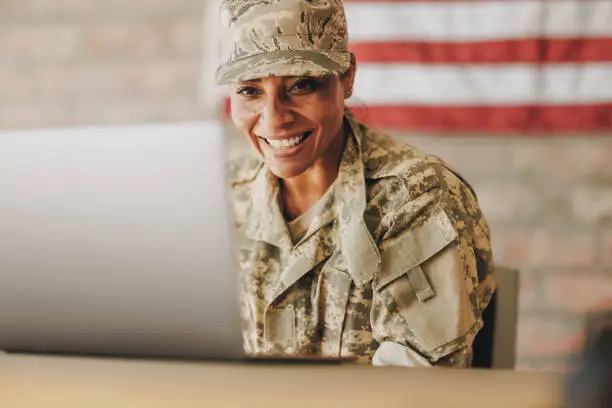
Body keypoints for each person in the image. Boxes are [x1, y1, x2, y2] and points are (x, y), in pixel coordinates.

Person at [216, 0, 496, 367]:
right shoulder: (221, 196)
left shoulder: (416, 199)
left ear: (346, 78)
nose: (273, 119)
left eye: (301, 85)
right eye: (250, 91)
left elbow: (415, 391)